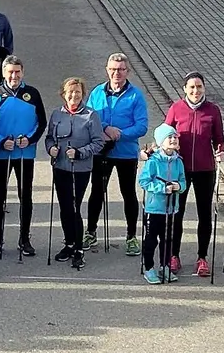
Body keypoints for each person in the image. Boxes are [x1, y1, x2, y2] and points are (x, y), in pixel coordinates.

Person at [84, 53, 149, 256]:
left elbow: (142, 126)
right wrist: (105, 128)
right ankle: (91, 231)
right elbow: (88, 116)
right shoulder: (97, 93)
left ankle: (131, 236)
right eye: (113, 69)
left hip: (126, 153)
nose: (116, 73)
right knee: (96, 192)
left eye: (121, 69)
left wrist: (119, 134)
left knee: (128, 194)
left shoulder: (135, 95)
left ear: (127, 71)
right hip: (101, 151)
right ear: (107, 70)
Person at [163, 71, 224, 278]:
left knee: (204, 214)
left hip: (205, 169)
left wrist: (220, 149)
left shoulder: (213, 110)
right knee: (176, 213)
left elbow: (219, 138)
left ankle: (202, 257)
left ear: (204, 88)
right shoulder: (176, 108)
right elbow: (165, 134)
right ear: (185, 89)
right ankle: (173, 255)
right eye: (191, 87)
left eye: (199, 87)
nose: (195, 91)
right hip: (179, 169)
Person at [0, 56, 46, 259]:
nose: (14, 76)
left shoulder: (32, 94)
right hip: (1, 155)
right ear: (4, 73)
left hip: (24, 154)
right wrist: (2, 141)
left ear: (22, 72)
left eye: (17, 72)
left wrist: (29, 139)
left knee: (25, 196)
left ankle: (24, 239)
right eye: (10, 72)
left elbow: (41, 123)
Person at [46, 77, 105, 267]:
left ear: (83, 94)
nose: (74, 95)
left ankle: (79, 248)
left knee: (73, 206)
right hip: (60, 167)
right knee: (64, 207)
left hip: (80, 169)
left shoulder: (91, 115)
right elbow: (49, 138)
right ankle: (69, 243)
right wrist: (51, 149)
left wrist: (80, 153)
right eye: (70, 92)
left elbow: (98, 143)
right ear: (63, 94)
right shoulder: (56, 114)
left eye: (78, 92)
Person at [138, 124, 186, 284]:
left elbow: (183, 181)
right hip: (154, 208)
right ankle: (149, 268)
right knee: (151, 239)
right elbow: (144, 181)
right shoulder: (153, 161)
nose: (173, 139)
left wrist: (179, 187)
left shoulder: (178, 161)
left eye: (175, 137)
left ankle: (165, 266)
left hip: (171, 209)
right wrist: (161, 188)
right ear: (160, 142)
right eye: (169, 137)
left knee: (168, 240)